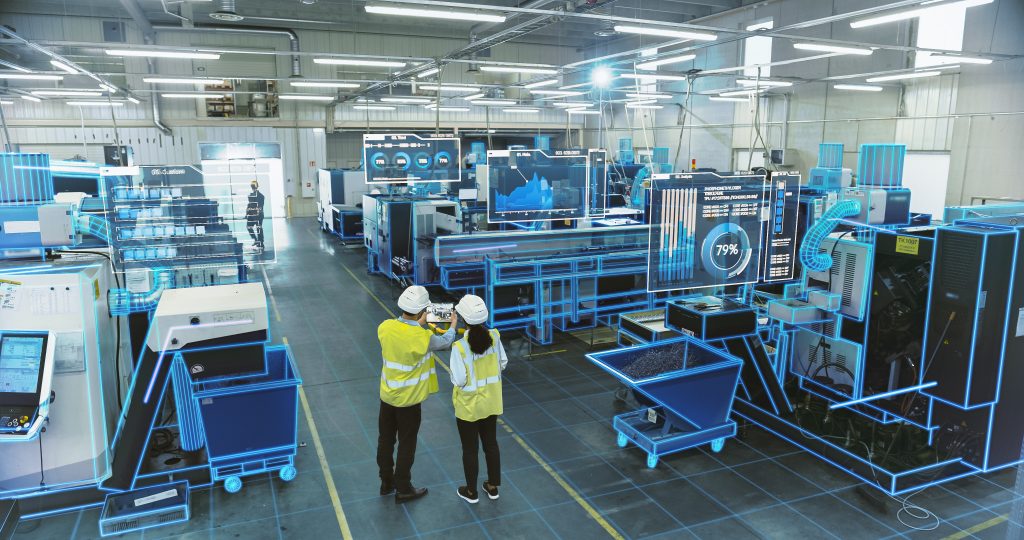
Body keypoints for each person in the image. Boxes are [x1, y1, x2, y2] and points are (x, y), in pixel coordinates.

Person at [377, 286, 457, 503]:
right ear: (423, 311)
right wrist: (453, 324)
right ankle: (403, 487)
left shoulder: (384, 328)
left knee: (385, 440)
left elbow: (402, 329)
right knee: (406, 444)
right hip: (409, 402)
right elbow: (446, 341)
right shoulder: (423, 338)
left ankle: (386, 482)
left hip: (387, 397)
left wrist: (417, 321)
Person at [449, 295, 507, 504]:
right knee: (491, 443)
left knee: (470, 448)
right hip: (491, 402)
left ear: (463, 319)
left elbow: (459, 379)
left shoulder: (460, 347)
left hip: (468, 407)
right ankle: (492, 487)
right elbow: (502, 363)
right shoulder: (496, 337)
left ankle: (471, 491)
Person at [245, 180, 265, 250]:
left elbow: (258, 206)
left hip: (256, 214)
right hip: (255, 214)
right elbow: (250, 205)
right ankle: (259, 241)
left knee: (256, 227)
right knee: (256, 227)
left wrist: (249, 213)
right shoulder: (260, 196)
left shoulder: (258, 196)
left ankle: (259, 242)